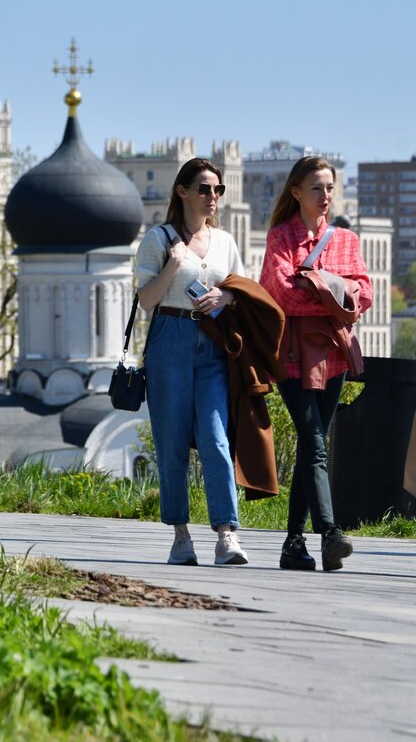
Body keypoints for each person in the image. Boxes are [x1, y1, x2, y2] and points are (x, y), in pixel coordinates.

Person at [259, 156, 372, 572]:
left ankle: (293, 544)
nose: (325, 196)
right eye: (316, 188)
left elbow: (365, 293)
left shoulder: (345, 239)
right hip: (290, 352)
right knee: (315, 440)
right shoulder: (280, 238)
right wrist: (334, 293)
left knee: (314, 444)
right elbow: (284, 294)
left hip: (334, 351)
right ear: (296, 193)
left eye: (329, 187)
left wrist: (320, 285)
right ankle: (329, 532)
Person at [135, 157, 249, 567]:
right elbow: (147, 300)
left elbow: (242, 288)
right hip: (170, 338)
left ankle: (227, 534)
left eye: (217, 190)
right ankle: (181, 536)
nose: (212, 197)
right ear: (182, 192)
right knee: (172, 441)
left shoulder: (225, 242)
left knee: (217, 439)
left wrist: (227, 297)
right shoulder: (158, 239)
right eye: (204, 188)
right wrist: (174, 264)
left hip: (212, 342)